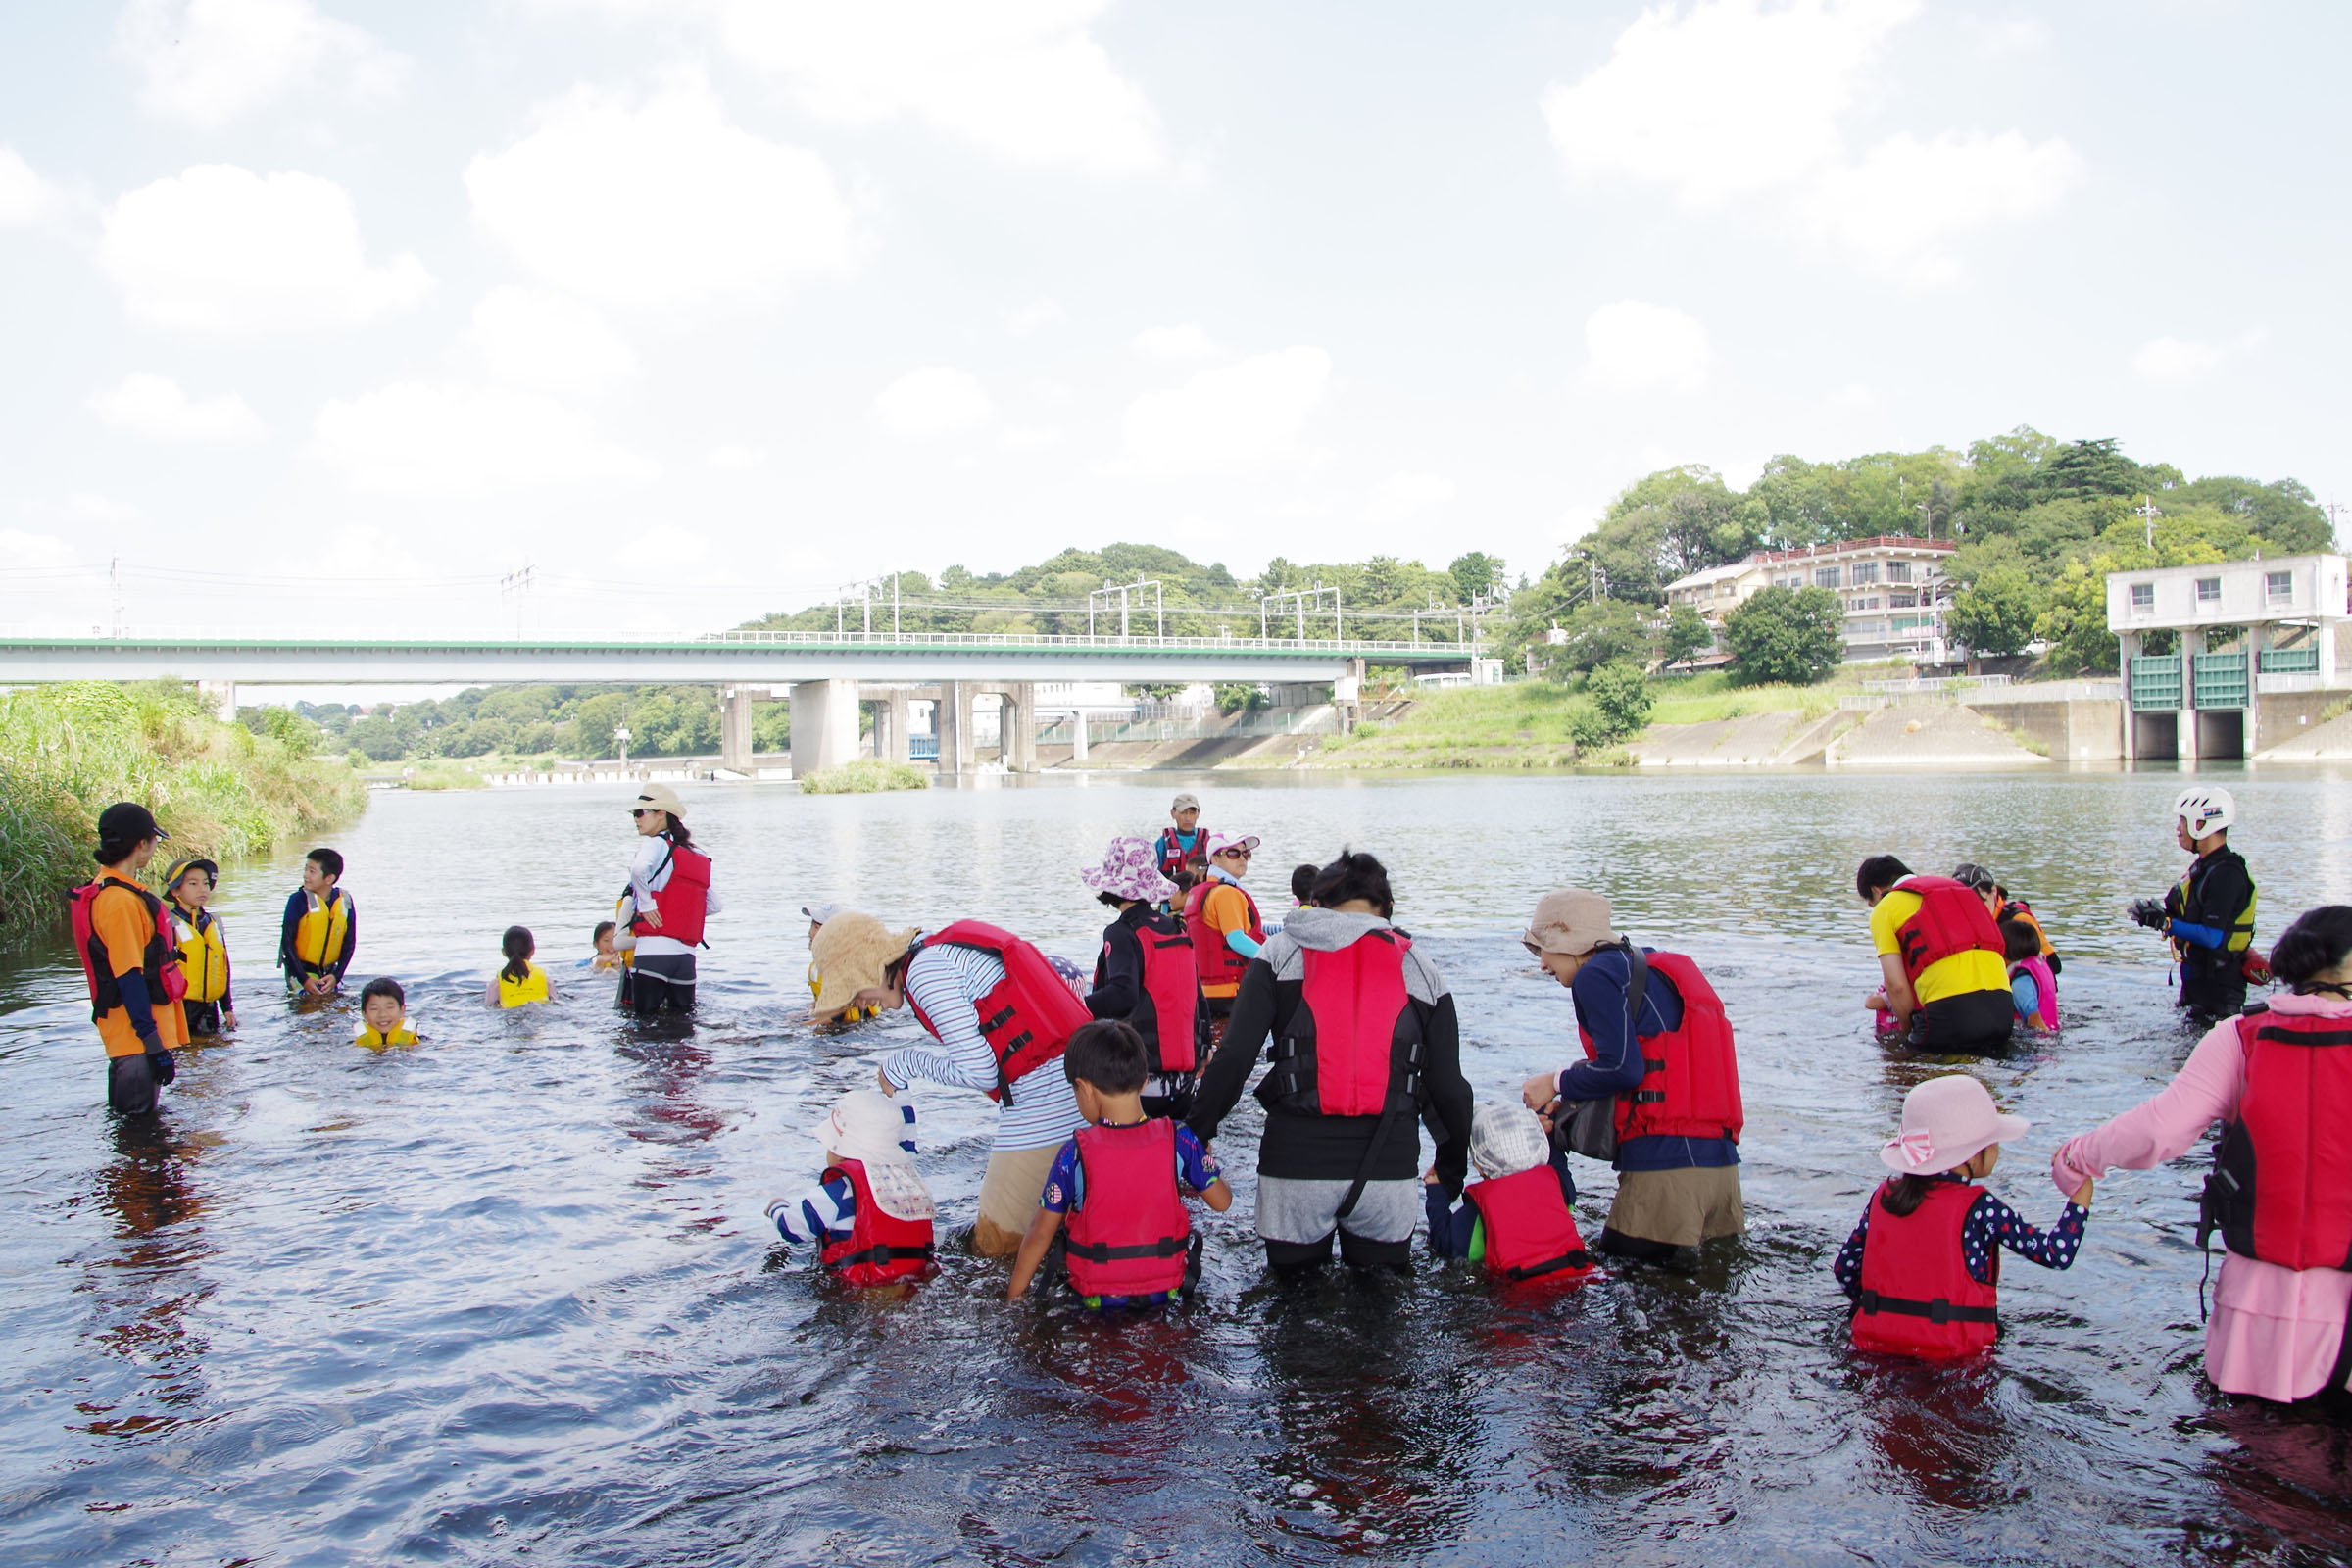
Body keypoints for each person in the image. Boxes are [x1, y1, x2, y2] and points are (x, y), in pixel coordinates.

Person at [2050, 905, 2352, 1402]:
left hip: (2252, 1314)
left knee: (2245, 1458)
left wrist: (2078, 1156)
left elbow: (2158, 1130)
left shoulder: (2241, 1038)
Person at [1188, 851, 1473, 1275]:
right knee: (1383, 1311)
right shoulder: (1420, 966)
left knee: (1293, 1308)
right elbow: (1449, 1086)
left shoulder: (1280, 953)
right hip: (1388, 1168)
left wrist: (1197, 1133)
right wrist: (1450, 1169)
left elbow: (1234, 1060)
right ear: (1387, 909)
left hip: (1295, 1166)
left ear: (1317, 903)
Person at [811, 910, 1093, 1256]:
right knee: (1057, 1231)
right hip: (1077, 1089)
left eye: (853, 989)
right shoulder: (932, 951)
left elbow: (982, 1073)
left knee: (994, 1245)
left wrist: (906, 1063)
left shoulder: (925, 976)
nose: (857, 1002)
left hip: (1045, 1103)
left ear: (870, 968)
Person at [1518, 888, 1744, 1266]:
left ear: (1570, 941)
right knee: (1704, 1301)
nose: (1542, 963)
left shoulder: (1594, 977)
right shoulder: (1644, 967)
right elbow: (1645, 1064)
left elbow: (1623, 1068)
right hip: (1721, 1170)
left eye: (1543, 948)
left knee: (1629, 1291)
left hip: (1666, 1171)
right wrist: (1572, 1092)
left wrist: (1556, 1081)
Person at [1837, 1075, 2091, 1359]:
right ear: (1970, 1155)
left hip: (1873, 1349)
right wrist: (2081, 1193)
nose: (1997, 1149)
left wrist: (1886, 1311)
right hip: (1955, 1360)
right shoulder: (1981, 1208)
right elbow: (2056, 1254)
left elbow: (1844, 1269)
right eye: (1993, 1142)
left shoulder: (1883, 1196)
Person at [1007, 1021, 1232, 1305]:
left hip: (1095, 1303)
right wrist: (1204, 1157)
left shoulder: (1073, 1153)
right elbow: (1222, 1201)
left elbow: (1040, 1233)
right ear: (1143, 1081)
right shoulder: (1180, 1139)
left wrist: (1013, 1299)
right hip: (1165, 1296)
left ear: (1084, 1089)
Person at [68, 803, 189, 1115]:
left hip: (133, 1039)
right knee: (138, 1141)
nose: (153, 848)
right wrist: (153, 1044)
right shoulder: (119, 902)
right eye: (154, 841)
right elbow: (128, 976)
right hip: (135, 1042)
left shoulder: (115, 891)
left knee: (136, 1141)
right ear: (141, 844)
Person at [1081, 837, 1205, 1118]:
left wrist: (1077, 1004)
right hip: (1183, 1081)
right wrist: (1204, 1047)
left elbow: (1123, 995)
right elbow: (1198, 997)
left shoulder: (1121, 932)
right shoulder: (1176, 927)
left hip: (1141, 1083)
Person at [765, 1089, 936, 1287]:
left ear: (839, 1150)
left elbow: (791, 1228)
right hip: (915, 1281)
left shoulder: (838, 1191)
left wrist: (775, 1207)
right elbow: (907, 1139)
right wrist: (900, 1092)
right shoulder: (906, 1173)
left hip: (860, 1290)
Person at [1855, 855, 2013, 1055]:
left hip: (1948, 1021)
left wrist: (1908, 1036)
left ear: (1877, 891)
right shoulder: (1960, 891)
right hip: (2003, 1014)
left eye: (1872, 903)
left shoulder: (1885, 909)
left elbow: (1897, 986)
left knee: (1899, 1067)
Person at [1424, 1100, 1592, 1282]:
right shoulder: (1559, 1186)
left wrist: (1436, 1191)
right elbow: (1558, 1160)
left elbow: (1443, 1241)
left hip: (1516, 1296)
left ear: (1479, 1167)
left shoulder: (1473, 1217)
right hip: (1573, 1279)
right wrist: (1547, 1114)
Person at [2131, 786, 2258, 1020]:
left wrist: (2166, 924)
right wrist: (2155, 914)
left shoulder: (2227, 874)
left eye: (2182, 822)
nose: (2178, 829)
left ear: (2202, 825)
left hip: (2219, 995)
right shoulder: (2205, 867)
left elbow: (2213, 936)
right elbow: (2192, 915)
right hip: (2197, 986)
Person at [618, 784, 718, 1016]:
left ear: (661, 814)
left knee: (645, 1029)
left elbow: (638, 869)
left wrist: (647, 904)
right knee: (682, 1029)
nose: (636, 819)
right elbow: (715, 905)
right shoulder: (697, 853)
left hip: (653, 953)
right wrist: (681, 912)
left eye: (640, 813)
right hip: (685, 959)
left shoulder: (655, 843)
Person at [1182, 832, 1265, 1047]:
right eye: (1233, 853)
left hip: (1201, 994)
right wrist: (1273, 959)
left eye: (1246, 854)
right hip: (1229, 993)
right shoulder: (1226, 894)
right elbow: (1236, 939)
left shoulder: (1199, 892)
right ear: (1215, 859)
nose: (1242, 859)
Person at [164, 856, 237, 1038]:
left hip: (210, 1009)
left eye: (205, 883)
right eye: (193, 884)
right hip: (181, 1009)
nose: (202, 889)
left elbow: (223, 967)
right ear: (175, 891)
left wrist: (227, 1008)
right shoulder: (169, 925)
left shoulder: (214, 923)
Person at [1955, 862, 2061, 976]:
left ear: (1994, 891)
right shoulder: (1961, 923)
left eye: (1978, 901)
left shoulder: (2019, 921)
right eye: (1964, 902)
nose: (1973, 910)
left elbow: (2054, 966)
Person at [279, 847, 356, 998]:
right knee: (311, 1004)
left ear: (329, 878)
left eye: (312, 871)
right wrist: (304, 979)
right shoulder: (298, 900)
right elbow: (287, 943)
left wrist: (336, 976)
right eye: (306, 869)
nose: (305, 875)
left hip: (330, 972)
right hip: (300, 971)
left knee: (337, 1006)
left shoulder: (345, 901)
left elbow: (349, 943)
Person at [805, 904, 876, 1023]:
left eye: (817, 928)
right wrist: (805, 1013)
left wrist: (802, 1027)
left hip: (855, 1030)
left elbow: (839, 1012)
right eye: (812, 926)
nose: (810, 933)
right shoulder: (819, 965)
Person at [2005, 918, 2058, 1034]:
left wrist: (2046, 1041)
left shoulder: (2019, 983)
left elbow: (2034, 1018)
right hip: (2053, 1027)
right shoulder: (2039, 964)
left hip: (2037, 1042)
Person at [485, 925, 557, 1007]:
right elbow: (554, 1002)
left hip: (510, 1014)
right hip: (539, 1012)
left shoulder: (495, 984)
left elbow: (489, 1007)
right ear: (533, 950)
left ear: (503, 952)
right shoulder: (546, 980)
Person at [1153, 792, 1209, 894]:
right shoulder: (1163, 843)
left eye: (1192, 813)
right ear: (1173, 814)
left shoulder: (1208, 841)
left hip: (1201, 898)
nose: (1187, 818)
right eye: (1183, 813)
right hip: (1171, 900)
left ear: (1198, 814)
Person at [354, 976, 417, 1048]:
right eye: (374, 1009)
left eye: (389, 1007)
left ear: (402, 1010)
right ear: (364, 1014)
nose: (382, 1014)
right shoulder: (356, 1047)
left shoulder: (416, 1045)